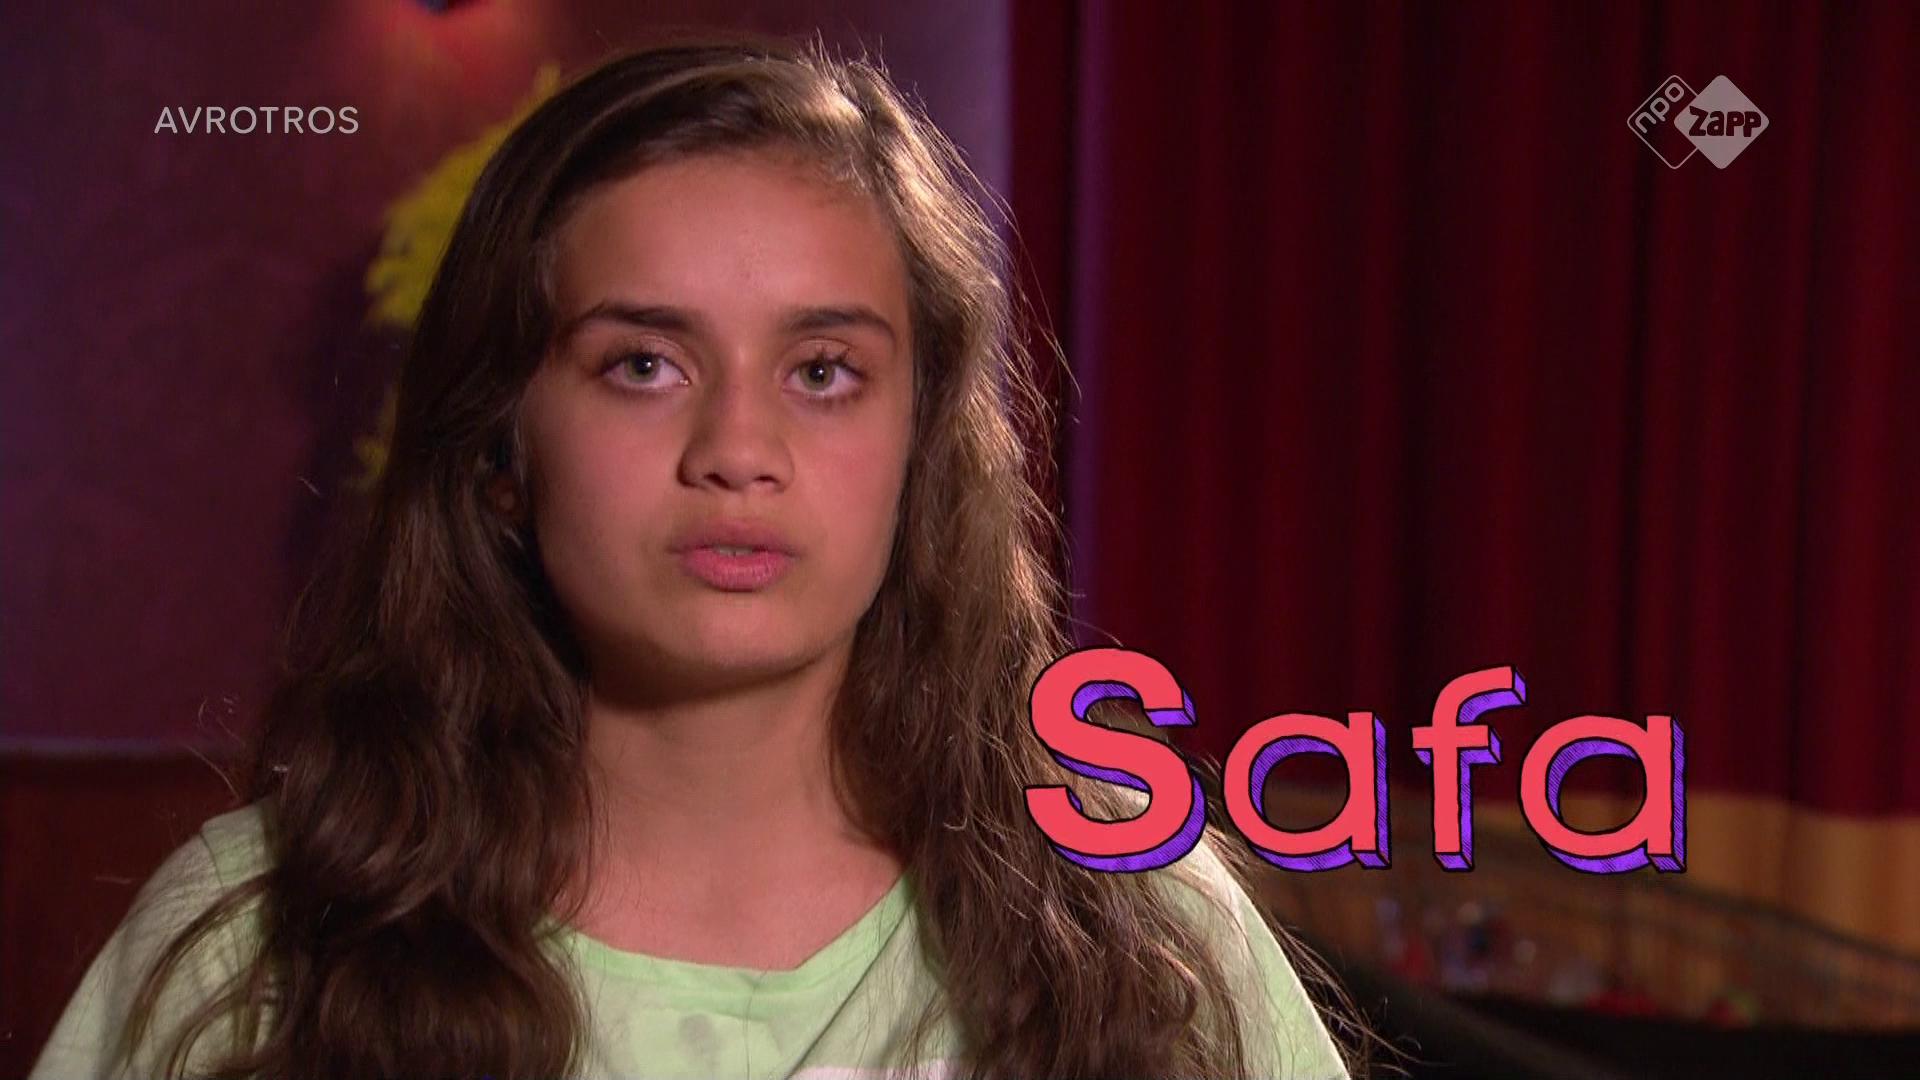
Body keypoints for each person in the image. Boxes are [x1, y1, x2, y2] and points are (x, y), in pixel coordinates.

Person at [29, 35, 1358, 1080]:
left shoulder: (1129, 911)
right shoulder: (265, 933)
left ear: (920, 447)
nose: (737, 450)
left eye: (822, 371)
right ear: (501, 447)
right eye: (643, 365)